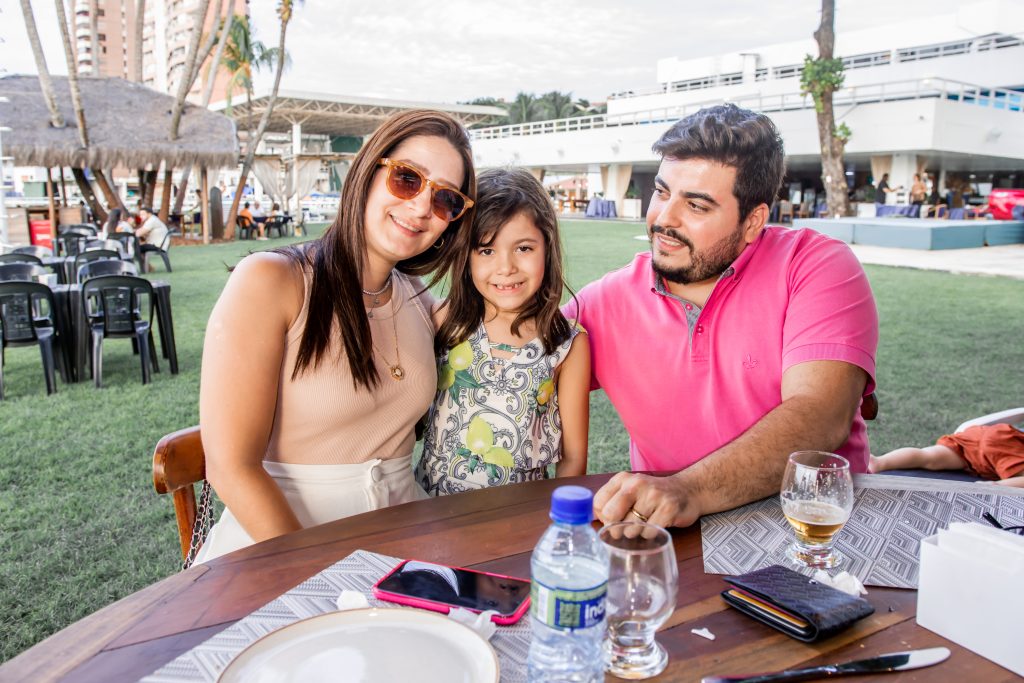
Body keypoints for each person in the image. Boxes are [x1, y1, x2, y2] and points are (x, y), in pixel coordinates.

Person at [561, 104, 878, 529]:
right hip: (674, 537)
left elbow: (820, 416)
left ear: (753, 221)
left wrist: (687, 488)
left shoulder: (815, 266)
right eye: (661, 192)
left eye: (696, 205)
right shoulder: (605, 300)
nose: (663, 219)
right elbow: (512, 352)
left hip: (818, 526)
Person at [196, 110, 477, 562]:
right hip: (281, 543)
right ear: (367, 172)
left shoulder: (417, 297)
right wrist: (318, 573)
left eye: (446, 199)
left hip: (403, 538)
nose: (423, 206)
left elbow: (506, 331)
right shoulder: (272, 281)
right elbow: (231, 469)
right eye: (407, 179)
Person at [415, 168, 590, 496]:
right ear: (465, 257)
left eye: (523, 248)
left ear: (547, 248)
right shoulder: (443, 319)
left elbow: (574, 457)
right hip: (430, 513)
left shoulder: (569, 343)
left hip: (519, 521)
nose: (506, 267)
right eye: (486, 250)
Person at [869, 424, 1024, 488]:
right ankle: (991, 488)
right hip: (1007, 445)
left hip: (976, 439)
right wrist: (994, 486)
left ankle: (879, 462)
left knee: (927, 457)